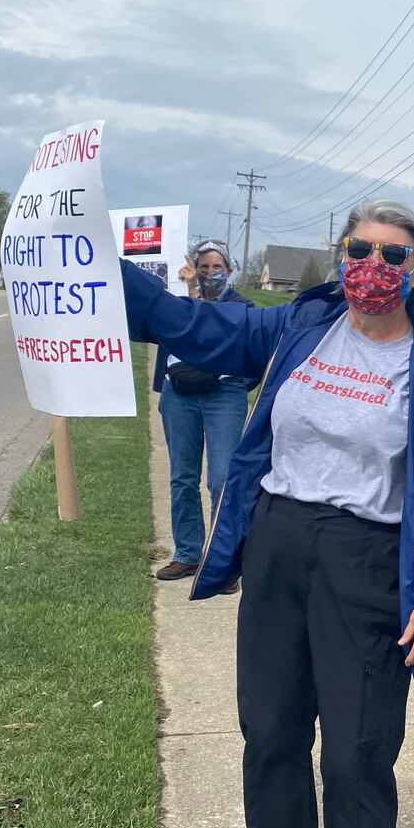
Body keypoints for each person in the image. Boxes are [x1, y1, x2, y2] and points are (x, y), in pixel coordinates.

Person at [118, 198, 414, 828]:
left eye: (393, 255)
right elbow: (189, 324)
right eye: (360, 248)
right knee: (271, 725)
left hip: (366, 560)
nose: (373, 266)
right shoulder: (298, 327)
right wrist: (91, 269)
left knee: (359, 751)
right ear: (340, 253)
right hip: (281, 544)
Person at [153, 239, 258, 582]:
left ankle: (221, 560)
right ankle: (187, 553)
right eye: (204, 266)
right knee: (182, 477)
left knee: (222, 479)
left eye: (217, 267)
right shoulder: (177, 298)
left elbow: (208, 333)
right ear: (193, 268)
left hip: (224, 393)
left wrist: (193, 294)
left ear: (230, 271)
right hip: (179, 392)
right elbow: (169, 328)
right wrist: (185, 292)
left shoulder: (242, 305)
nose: (210, 273)